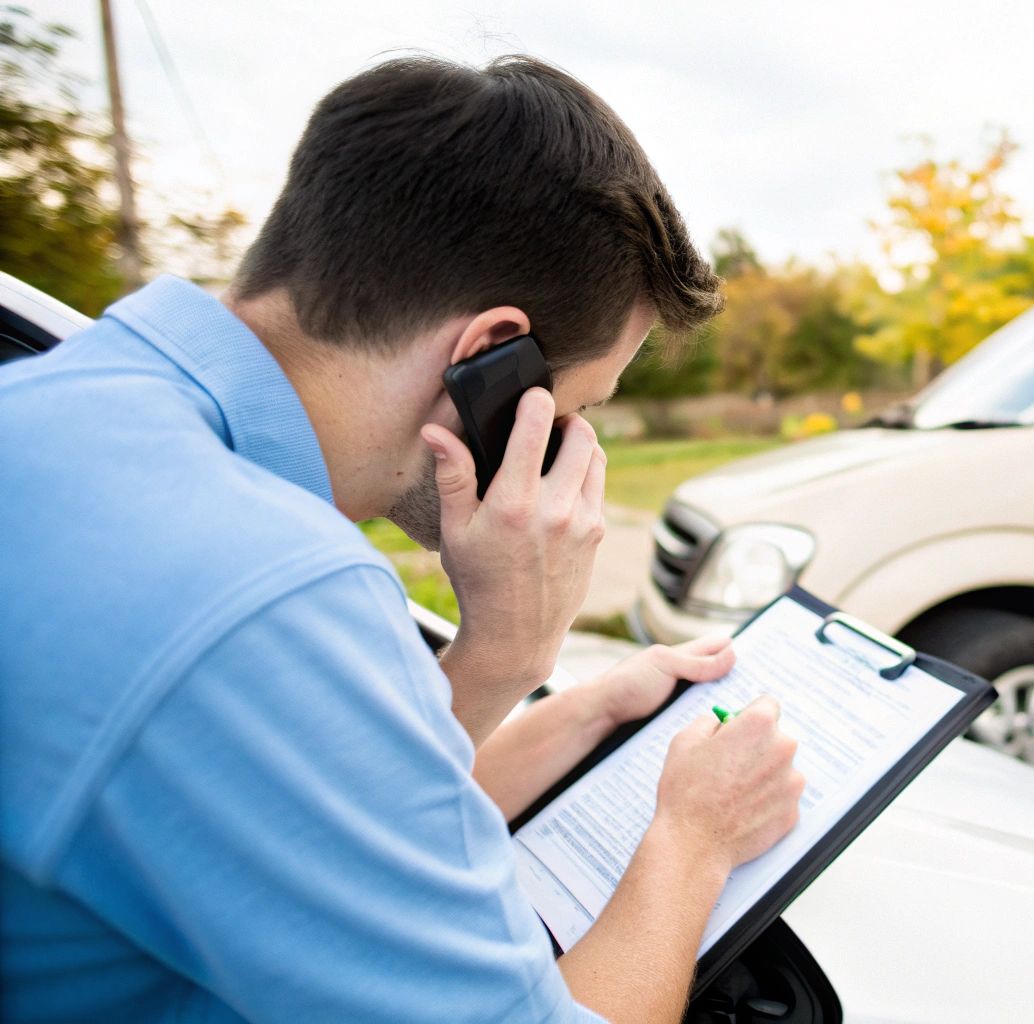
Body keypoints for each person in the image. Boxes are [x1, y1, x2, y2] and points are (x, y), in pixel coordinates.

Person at [0, 54, 804, 1023]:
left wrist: (518, 667)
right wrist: (694, 838)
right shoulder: (274, 593)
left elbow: (308, 812)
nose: (569, 453)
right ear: (484, 359)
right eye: (574, 408)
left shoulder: (71, 399)